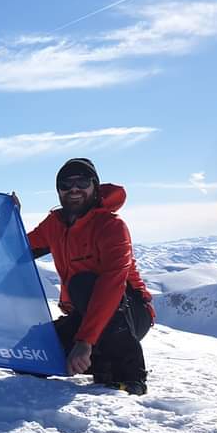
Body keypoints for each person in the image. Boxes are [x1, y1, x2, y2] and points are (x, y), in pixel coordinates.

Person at [26, 158, 155, 395]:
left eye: (82, 182)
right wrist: (7, 217)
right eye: (66, 184)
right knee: (31, 353)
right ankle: (101, 361)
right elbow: (18, 248)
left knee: (83, 284)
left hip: (128, 312)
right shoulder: (54, 224)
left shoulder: (111, 226)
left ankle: (130, 376)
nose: (74, 189)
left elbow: (112, 285)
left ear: (95, 186)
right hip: (85, 313)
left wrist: (84, 342)